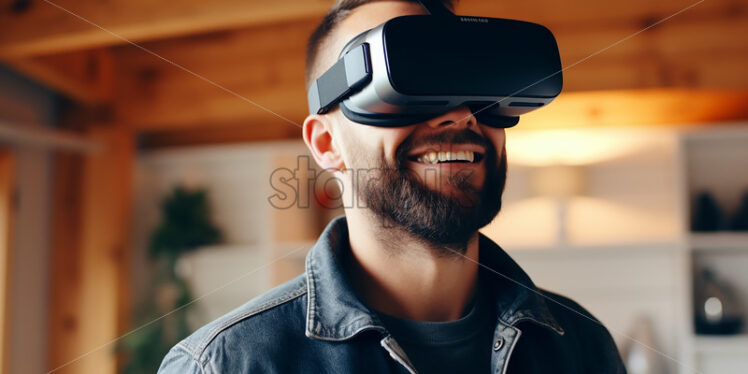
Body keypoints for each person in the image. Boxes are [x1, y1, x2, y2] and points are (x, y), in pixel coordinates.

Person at [158, 1, 627, 373]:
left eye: (476, 86)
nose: (460, 115)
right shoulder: (226, 365)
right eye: (408, 80)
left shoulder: (581, 344)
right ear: (327, 143)